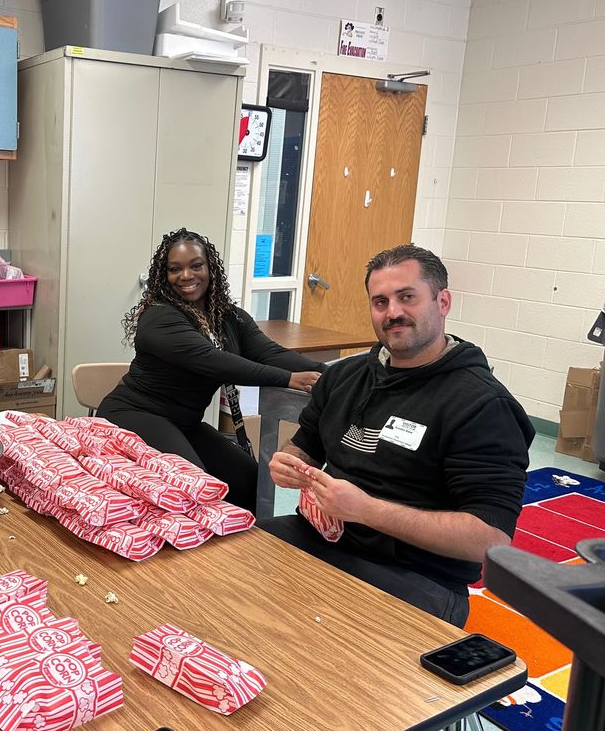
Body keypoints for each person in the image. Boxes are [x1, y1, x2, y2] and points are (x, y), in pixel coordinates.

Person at [260, 244, 534, 626]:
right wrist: (291, 463)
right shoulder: (344, 378)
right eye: (380, 301)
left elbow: (490, 541)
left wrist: (367, 510)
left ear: (443, 301)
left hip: (417, 577)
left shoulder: (483, 406)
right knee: (228, 563)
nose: (393, 313)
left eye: (407, 297)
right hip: (320, 539)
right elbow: (306, 445)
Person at [97, 228, 325, 514]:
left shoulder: (228, 317)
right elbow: (214, 361)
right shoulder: (159, 318)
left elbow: (271, 353)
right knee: (197, 487)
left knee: (252, 483)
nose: (186, 276)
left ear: (210, 267)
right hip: (135, 415)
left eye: (196, 266)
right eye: (175, 269)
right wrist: (289, 379)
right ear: (163, 276)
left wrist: (330, 375)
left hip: (185, 423)